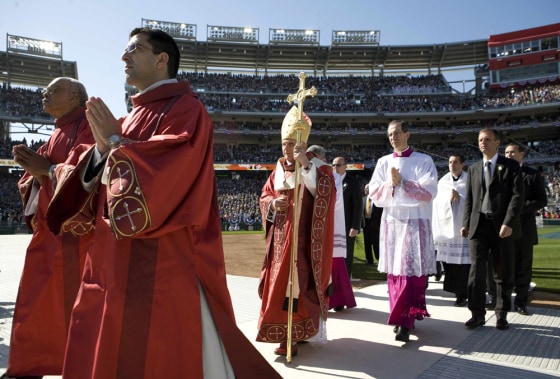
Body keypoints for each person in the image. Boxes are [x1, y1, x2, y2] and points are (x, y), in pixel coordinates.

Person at [46, 28, 280, 379]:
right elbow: (99, 170)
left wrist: (113, 141)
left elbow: (169, 169)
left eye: (134, 49)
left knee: (159, 353)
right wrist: (94, 153)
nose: (124, 56)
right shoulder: (128, 118)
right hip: (111, 260)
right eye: (125, 49)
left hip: (161, 261)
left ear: (161, 59)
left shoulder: (186, 110)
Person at [3, 77, 94, 379]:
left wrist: (48, 170)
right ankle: (30, 366)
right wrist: (34, 175)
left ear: (75, 98)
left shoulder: (88, 126)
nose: (45, 93)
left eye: (54, 90)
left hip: (76, 240)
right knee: (35, 305)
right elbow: (40, 177)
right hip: (48, 237)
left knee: (72, 309)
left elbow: (89, 174)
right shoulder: (55, 134)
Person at [257, 109, 335, 356]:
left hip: (303, 243)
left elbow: (326, 191)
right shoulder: (276, 171)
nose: (285, 148)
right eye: (283, 144)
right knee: (279, 287)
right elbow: (264, 195)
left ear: (300, 145)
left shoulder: (314, 167)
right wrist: (271, 204)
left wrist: (306, 166)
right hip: (280, 243)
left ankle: (298, 332)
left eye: (291, 144)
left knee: (300, 287)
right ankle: (283, 334)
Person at [368, 120, 438, 343]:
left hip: (416, 223)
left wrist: (404, 183)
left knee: (409, 272)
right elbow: (375, 194)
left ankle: (405, 320)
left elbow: (429, 192)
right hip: (393, 222)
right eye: (389, 134)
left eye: (397, 133)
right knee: (395, 273)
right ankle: (399, 316)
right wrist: (391, 184)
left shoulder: (424, 161)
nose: (393, 137)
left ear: (407, 134)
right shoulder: (383, 162)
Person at [461, 128, 524, 331]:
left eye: (487, 139)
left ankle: (501, 314)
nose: (482, 143)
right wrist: (465, 223)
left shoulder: (511, 166)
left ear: (498, 142)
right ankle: (477, 313)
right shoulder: (474, 168)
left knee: (502, 273)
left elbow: (517, 197)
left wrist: (508, 222)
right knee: (476, 273)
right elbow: (470, 199)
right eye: (480, 140)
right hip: (478, 226)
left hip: (501, 227)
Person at [306, 145, 356, 313]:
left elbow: (338, 203)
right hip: (313, 227)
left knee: (334, 264)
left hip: (331, 226)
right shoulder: (309, 172)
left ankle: (336, 299)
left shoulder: (333, 177)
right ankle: (317, 300)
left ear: (322, 159)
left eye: (313, 159)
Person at [504, 143, 548, 315]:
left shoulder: (533, 175)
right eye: (506, 152)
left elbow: (541, 200)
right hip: (502, 229)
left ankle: (521, 302)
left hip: (524, 229)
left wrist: (517, 209)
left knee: (523, 267)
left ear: (521, 154)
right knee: (505, 267)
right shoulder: (499, 174)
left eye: (512, 152)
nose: (508, 155)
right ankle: (504, 301)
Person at [432, 154, 471, 307]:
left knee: (464, 264)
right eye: (450, 162)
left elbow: (473, 201)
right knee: (451, 264)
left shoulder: (469, 180)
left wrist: (459, 198)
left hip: (463, 229)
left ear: (462, 164)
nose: (452, 165)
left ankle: (464, 293)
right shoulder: (443, 182)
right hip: (447, 230)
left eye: (455, 162)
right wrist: (448, 199)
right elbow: (436, 203)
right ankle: (456, 291)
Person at [333, 156, 363, 278]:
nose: (335, 168)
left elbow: (358, 206)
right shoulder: (329, 181)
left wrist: (355, 226)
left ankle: (346, 280)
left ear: (346, 166)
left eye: (339, 165)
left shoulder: (353, 182)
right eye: (334, 165)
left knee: (347, 254)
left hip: (347, 226)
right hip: (333, 224)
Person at [363, 183, 383, 264]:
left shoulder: (377, 200)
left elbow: (380, 212)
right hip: (366, 224)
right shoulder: (363, 199)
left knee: (376, 242)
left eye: (367, 188)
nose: (365, 190)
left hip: (375, 224)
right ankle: (369, 259)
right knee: (367, 242)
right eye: (365, 189)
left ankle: (379, 259)